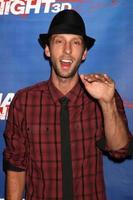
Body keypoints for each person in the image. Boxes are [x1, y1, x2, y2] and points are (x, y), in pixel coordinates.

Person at [3, 9, 133, 200]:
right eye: (59, 41)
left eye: (76, 42)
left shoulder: (103, 95)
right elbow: (16, 166)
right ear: (47, 49)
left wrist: (107, 103)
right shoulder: (24, 102)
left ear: (84, 54)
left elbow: (120, 150)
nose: (67, 50)